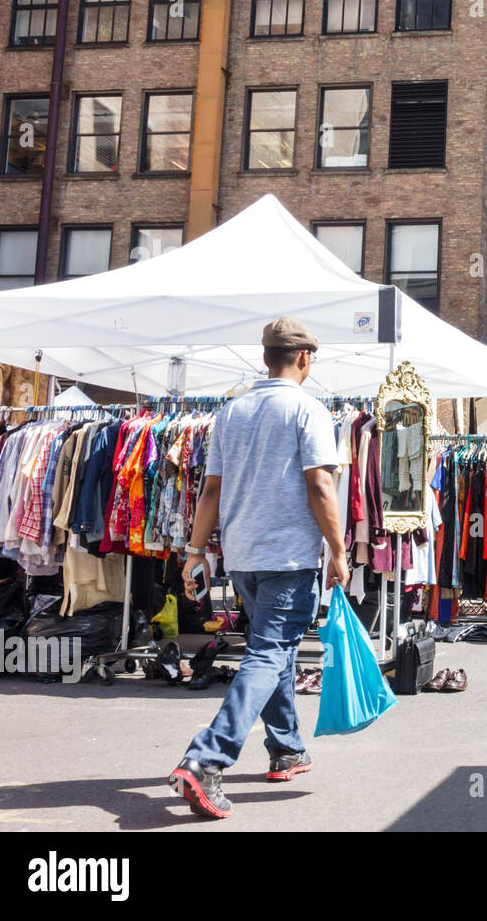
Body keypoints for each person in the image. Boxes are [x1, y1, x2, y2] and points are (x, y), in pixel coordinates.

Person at [167, 317, 349, 819]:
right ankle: (208, 757)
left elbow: (211, 490)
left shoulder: (232, 412)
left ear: (266, 357)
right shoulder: (308, 410)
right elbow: (320, 486)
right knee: (270, 653)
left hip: (242, 555)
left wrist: (194, 551)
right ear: (305, 358)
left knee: (276, 652)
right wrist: (338, 548)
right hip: (288, 557)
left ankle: (287, 747)